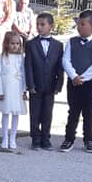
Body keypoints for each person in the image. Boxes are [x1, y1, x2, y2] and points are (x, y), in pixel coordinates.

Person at [60, 10, 92, 153]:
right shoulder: (72, 42)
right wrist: (74, 76)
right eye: (78, 24)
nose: (79, 27)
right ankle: (69, 138)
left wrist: (83, 78)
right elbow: (66, 60)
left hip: (91, 83)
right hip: (74, 82)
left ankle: (88, 139)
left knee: (88, 111)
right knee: (73, 111)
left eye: (83, 24)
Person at [24, 12, 64, 150]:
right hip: (36, 84)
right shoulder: (31, 44)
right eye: (37, 24)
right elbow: (28, 66)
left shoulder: (58, 45)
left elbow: (60, 67)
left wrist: (59, 85)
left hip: (50, 85)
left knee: (47, 113)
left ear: (51, 26)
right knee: (35, 113)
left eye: (43, 24)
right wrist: (30, 84)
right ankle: (35, 138)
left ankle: (46, 138)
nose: (39, 27)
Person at [0, 31, 27, 151]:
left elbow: (24, 74)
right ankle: (5, 138)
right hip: (6, 89)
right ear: (6, 44)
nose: (15, 46)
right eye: (12, 43)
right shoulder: (0, 58)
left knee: (16, 112)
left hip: (17, 88)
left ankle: (13, 137)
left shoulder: (21, 58)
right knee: (5, 113)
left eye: (17, 44)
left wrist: (24, 90)